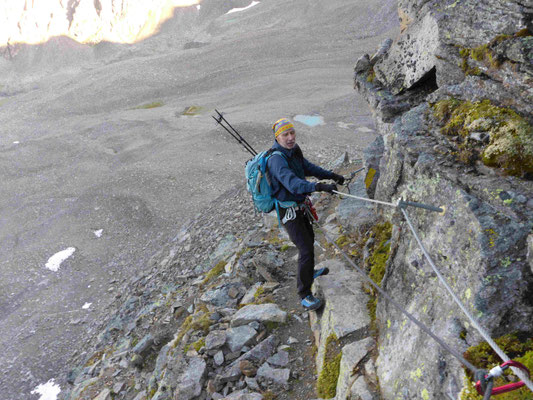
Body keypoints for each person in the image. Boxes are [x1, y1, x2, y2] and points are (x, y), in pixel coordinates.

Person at [267, 118, 344, 310]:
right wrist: (318, 186)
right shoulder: (276, 159)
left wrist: (331, 175)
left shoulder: (294, 151)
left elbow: (308, 168)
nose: (290, 137)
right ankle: (304, 293)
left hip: (299, 205)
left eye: (292, 133)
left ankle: (309, 273)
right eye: (285, 134)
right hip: (288, 210)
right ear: (278, 137)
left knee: (309, 239)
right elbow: (292, 183)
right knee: (305, 248)